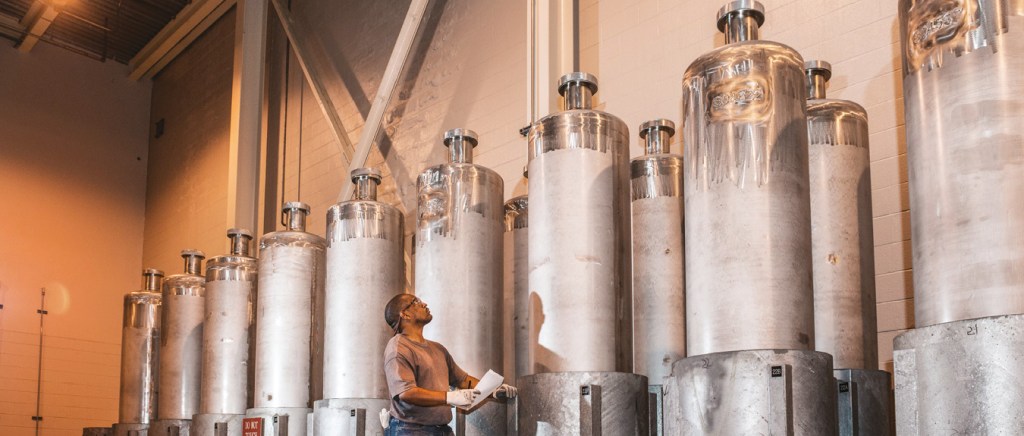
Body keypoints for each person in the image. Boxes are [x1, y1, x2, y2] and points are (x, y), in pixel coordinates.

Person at [382, 293, 517, 435]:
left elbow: (463, 380)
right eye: (416, 302)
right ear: (405, 314)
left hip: (442, 429)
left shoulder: (438, 349)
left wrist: (492, 390)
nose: (424, 304)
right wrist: (450, 397)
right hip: (410, 429)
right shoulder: (398, 348)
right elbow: (406, 393)